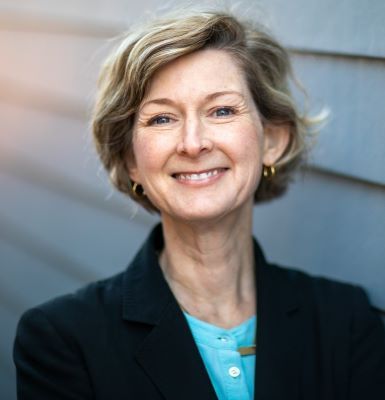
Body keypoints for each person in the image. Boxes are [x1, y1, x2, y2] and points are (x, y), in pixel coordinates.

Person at [14, 8, 385, 400]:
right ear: (130, 161)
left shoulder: (344, 321)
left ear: (272, 141)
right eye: (162, 119)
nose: (193, 143)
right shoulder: (63, 340)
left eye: (222, 110)